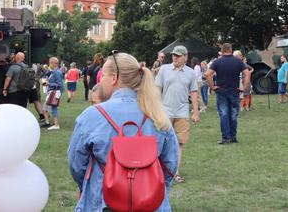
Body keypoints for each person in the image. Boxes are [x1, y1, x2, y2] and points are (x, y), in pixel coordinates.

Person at [68, 52, 179, 212]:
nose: (101, 80)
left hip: (102, 201)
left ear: (114, 78)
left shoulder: (92, 116)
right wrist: (153, 186)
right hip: (150, 202)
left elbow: (76, 164)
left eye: (103, 75)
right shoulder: (158, 115)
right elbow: (170, 165)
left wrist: (89, 184)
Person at [155, 46, 199, 183]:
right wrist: (155, 109)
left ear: (185, 57)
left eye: (178, 56)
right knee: (161, 143)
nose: (175, 57)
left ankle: (176, 172)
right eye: (174, 55)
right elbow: (157, 89)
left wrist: (196, 112)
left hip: (182, 113)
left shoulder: (191, 73)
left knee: (179, 143)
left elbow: (194, 92)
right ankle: (159, 171)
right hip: (165, 113)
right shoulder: (164, 69)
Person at [205, 43, 252, 144]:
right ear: (231, 50)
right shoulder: (238, 61)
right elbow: (247, 73)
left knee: (224, 114)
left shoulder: (217, 62)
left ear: (222, 50)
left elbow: (207, 74)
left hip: (221, 92)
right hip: (234, 91)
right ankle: (233, 136)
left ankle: (226, 137)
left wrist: (212, 87)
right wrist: (244, 87)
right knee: (233, 114)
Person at [44, 57, 64, 130]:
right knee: (53, 108)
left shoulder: (57, 72)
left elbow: (59, 84)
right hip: (54, 91)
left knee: (54, 108)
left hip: (55, 92)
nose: (49, 65)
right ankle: (55, 124)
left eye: (50, 63)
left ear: (54, 63)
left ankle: (56, 125)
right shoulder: (54, 72)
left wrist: (49, 84)